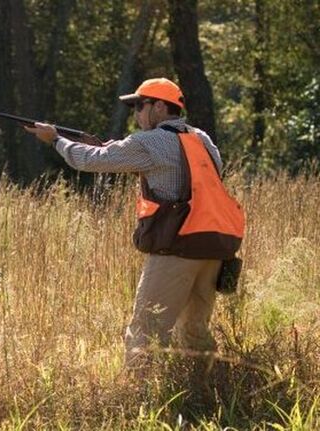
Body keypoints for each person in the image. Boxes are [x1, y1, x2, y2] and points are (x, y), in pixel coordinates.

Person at [24, 77, 244, 369]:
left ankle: (140, 401)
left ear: (160, 107)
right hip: (214, 248)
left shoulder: (149, 141)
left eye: (140, 105)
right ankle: (204, 389)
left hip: (176, 250)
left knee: (145, 333)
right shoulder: (202, 139)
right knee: (194, 331)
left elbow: (88, 161)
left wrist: (55, 139)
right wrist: (113, 148)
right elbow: (180, 175)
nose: (137, 113)